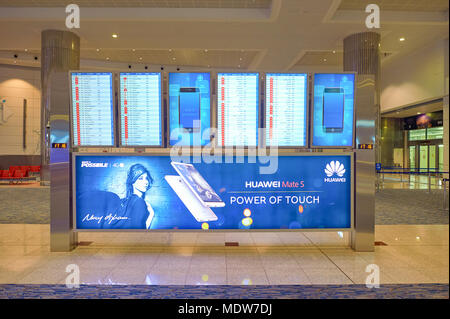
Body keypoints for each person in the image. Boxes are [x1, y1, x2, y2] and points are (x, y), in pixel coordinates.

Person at [115, 164, 155, 229]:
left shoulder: (126, 201)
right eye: (140, 178)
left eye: (146, 178)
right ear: (133, 181)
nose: (146, 182)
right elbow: (139, 234)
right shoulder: (139, 202)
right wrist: (151, 214)